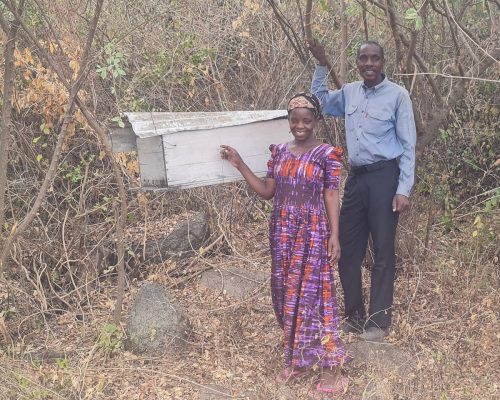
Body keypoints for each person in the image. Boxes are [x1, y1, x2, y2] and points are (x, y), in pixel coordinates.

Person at [221, 93, 349, 396]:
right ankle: (299, 361)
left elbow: (331, 195)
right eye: (295, 120)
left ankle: (333, 370)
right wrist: (239, 164)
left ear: (316, 120)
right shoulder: (279, 152)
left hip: (314, 233)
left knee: (317, 297)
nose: (300, 125)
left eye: (306, 120)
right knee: (286, 295)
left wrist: (335, 235)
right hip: (282, 233)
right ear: (288, 122)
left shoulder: (326, 154)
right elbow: (267, 191)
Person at [308, 40, 416, 342]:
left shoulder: (398, 96)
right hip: (356, 179)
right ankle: (354, 316)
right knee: (346, 251)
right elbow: (320, 103)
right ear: (357, 62)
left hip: (385, 178)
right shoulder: (351, 92)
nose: (369, 64)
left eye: (375, 59)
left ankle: (378, 321)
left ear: (383, 62)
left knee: (383, 250)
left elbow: (408, 146)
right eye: (363, 59)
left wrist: (403, 188)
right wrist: (321, 64)